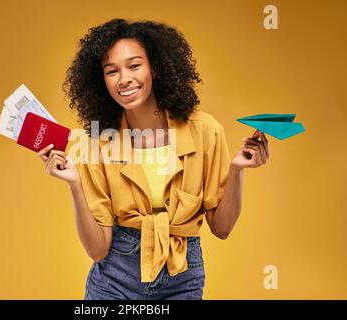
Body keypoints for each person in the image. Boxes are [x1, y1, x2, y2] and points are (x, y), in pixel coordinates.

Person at [37, 19, 269, 300]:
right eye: (112, 71)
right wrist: (74, 185)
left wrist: (237, 170)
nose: (123, 79)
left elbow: (222, 228)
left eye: (134, 66)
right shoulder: (96, 141)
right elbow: (98, 250)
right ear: (102, 81)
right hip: (114, 280)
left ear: (155, 68)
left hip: (182, 275)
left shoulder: (206, 131)